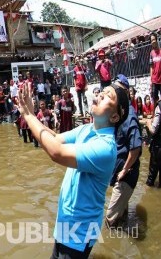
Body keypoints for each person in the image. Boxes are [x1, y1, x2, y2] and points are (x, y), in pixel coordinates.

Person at [18, 79, 129, 258]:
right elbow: (54, 138)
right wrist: (32, 113)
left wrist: (29, 117)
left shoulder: (105, 147)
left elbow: (56, 152)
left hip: (79, 233)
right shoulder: (86, 129)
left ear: (115, 117)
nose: (100, 94)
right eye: (102, 91)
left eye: (108, 96)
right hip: (66, 224)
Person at [106, 75, 142, 228]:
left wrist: (124, 170)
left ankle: (113, 247)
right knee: (122, 215)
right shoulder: (118, 112)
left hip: (126, 175)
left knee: (110, 219)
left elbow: (136, 147)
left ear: (125, 93)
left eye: (118, 90)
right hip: (118, 172)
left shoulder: (130, 116)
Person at [146, 99, 161, 186]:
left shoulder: (159, 106)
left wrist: (148, 123)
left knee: (151, 177)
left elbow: (153, 130)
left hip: (158, 146)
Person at [150, 34, 161, 105]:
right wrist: (151, 80)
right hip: (154, 81)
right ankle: (155, 115)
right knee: (155, 99)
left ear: (157, 40)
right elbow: (151, 67)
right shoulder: (151, 53)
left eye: (154, 39)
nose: (153, 41)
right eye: (151, 40)